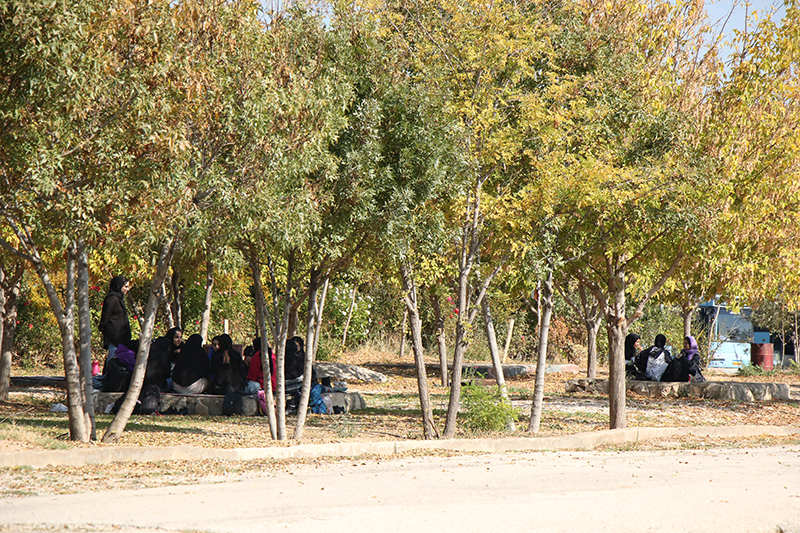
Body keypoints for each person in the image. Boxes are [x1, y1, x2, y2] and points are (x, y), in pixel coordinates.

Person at [99, 275, 132, 361]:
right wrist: (104, 328)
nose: (127, 289)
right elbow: (105, 317)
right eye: (126, 287)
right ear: (119, 286)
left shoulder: (119, 299)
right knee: (113, 361)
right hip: (114, 337)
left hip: (121, 338)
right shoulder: (112, 299)